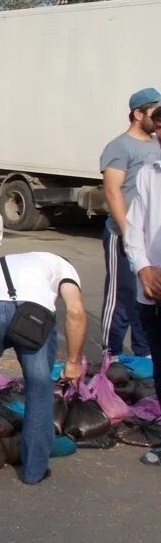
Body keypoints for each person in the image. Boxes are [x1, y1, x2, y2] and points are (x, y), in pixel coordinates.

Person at [0, 252, 87, 491]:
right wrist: (73, 362)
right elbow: (76, 312)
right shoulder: (64, 266)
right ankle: (34, 470)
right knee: (39, 390)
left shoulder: (1, 260)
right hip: (33, 317)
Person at [99, 87, 160, 357]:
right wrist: (127, 233)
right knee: (120, 295)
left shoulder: (156, 143)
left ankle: (143, 353)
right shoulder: (119, 146)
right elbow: (113, 191)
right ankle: (110, 352)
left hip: (148, 238)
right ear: (137, 114)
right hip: (121, 233)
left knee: (144, 295)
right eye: (153, 111)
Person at [123, 159, 161, 398]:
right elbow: (134, 229)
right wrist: (144, 268)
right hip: (152, 293)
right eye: (158, 126)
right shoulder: (149, 173)